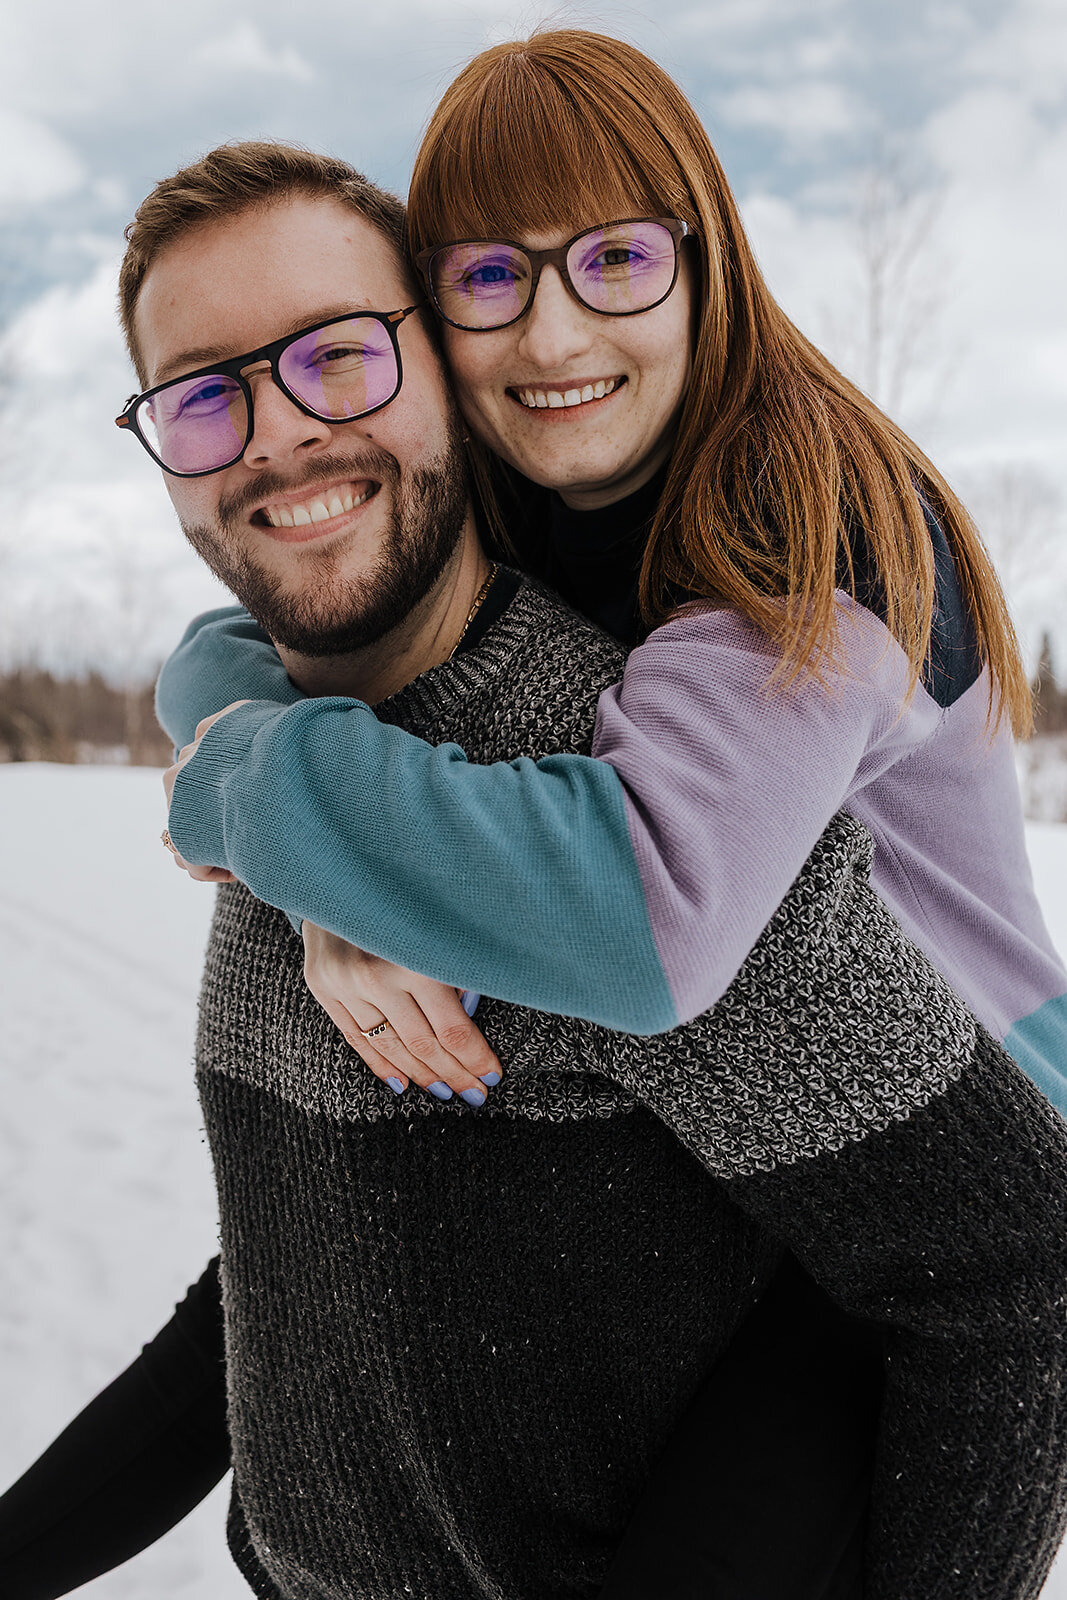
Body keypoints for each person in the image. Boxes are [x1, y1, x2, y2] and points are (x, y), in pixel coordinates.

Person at [0, 138, 1065, 1600]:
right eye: (202, 394)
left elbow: (1017, 1267)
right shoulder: (294, 775)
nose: (277, 434)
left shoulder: (641, 821)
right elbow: (288, 1275)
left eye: (337, 357)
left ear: (447, 369)